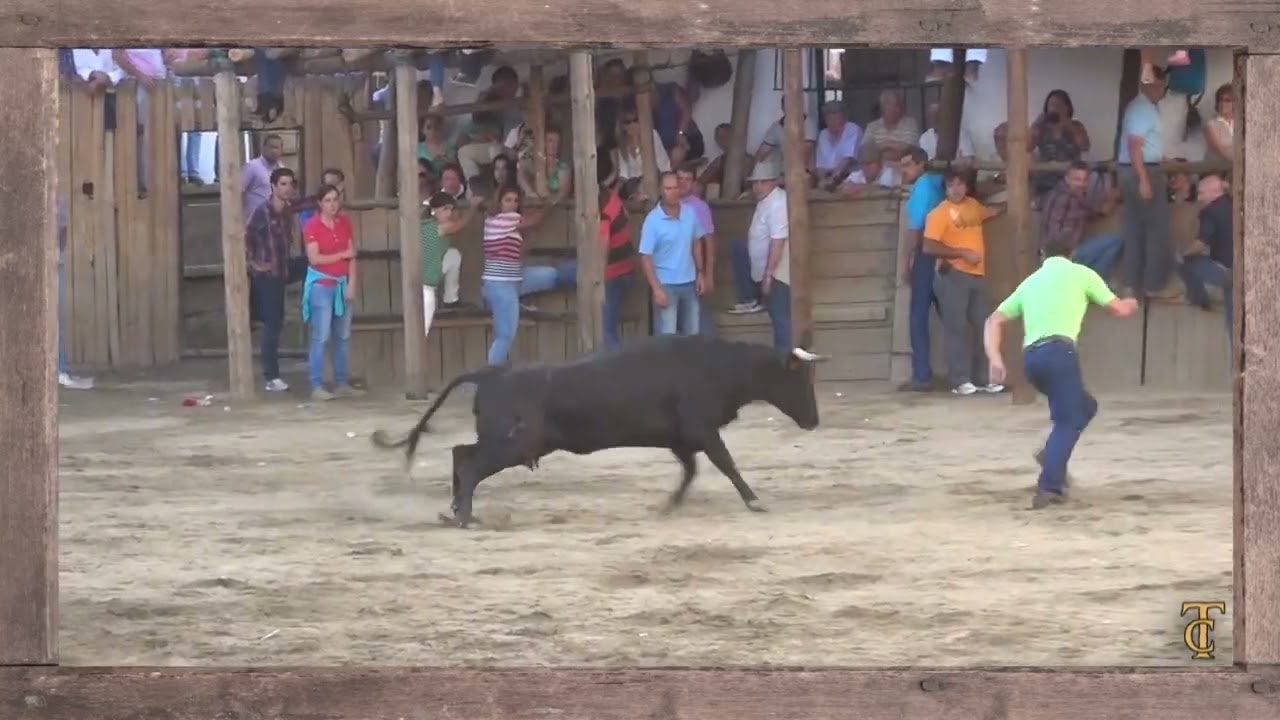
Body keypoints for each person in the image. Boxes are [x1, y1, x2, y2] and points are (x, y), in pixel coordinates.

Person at [983, 232, 1139, 510]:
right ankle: (1049, 487)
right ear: (1072, 252)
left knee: (1085, 406)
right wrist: (1131, 302)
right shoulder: (1082, 273)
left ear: (1043, 254)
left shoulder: (1030, 282)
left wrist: (995, 358)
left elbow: (994, 320)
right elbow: (1118, 310)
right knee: (1067, 422)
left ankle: (1051, 454)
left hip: (1032, 359)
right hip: (1060, 353)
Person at [301, 184, 363, 402]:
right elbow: (314, 259)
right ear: (320, 203)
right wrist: (342, 255)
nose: (333, 204)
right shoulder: (312, 226)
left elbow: (352, 254)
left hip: (342, 283)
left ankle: (341, 383)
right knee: (321, 336)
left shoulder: (345, 223)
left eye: (335, 199)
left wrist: (352, 282)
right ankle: (316, 384)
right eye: (327, 200)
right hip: (322, 286)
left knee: (343, 337)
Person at [420, 191, 466, 341]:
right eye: (446, 209)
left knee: (453, 254)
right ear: (434, 211)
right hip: (425, 286)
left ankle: (451, 298)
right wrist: (473, 208)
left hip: (422, 280)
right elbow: (461, 224)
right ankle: (450, 298)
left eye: (451, 209)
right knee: (423, 330)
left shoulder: (423, 225)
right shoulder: (439, 227)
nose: (450, 212)